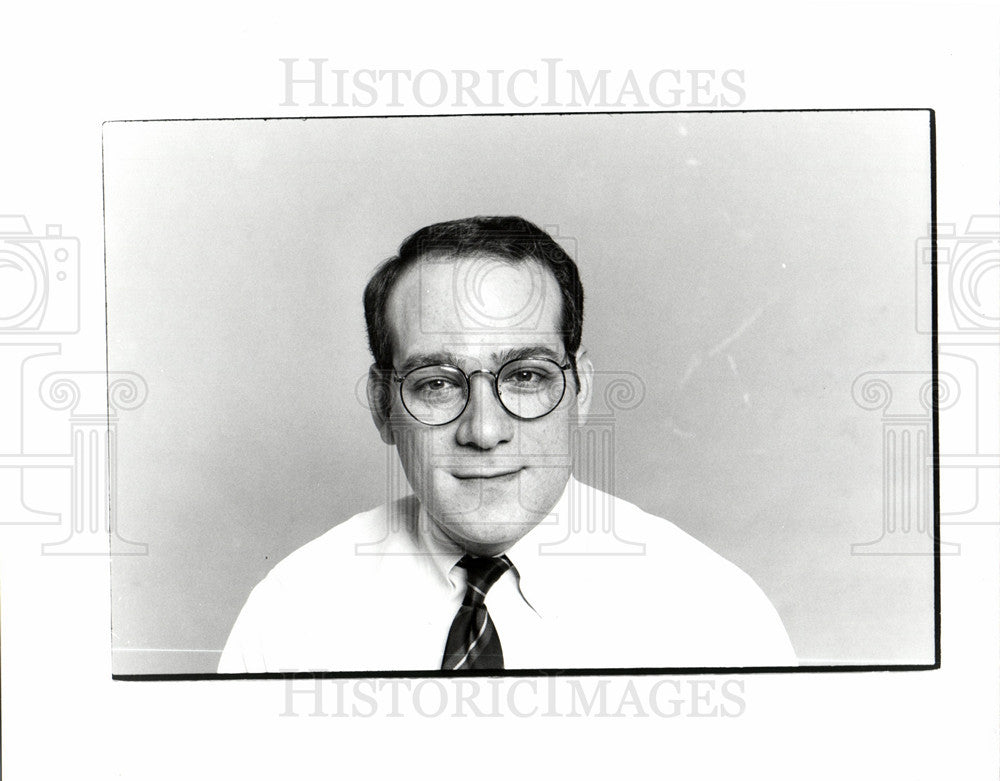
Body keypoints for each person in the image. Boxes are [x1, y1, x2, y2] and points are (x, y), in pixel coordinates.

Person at [218, 216, 796, 672]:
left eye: (525, 376)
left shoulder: (716, 619)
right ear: (381, 405)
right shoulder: (292, 614)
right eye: (437, 384)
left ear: (581, 390)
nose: (484, 431)